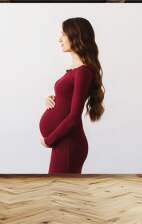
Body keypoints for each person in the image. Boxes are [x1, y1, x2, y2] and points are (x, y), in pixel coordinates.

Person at [39, 17, 105, 174]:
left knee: (61, 194)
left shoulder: (83, 72)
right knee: (60, 193)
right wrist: (53, 98)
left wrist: (49, 140)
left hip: (68, 143)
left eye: (63, 34)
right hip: (63, 142)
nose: (59, 39)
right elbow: (67, 100)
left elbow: (74, 117)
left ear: (76, 36)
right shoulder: (75, 71)